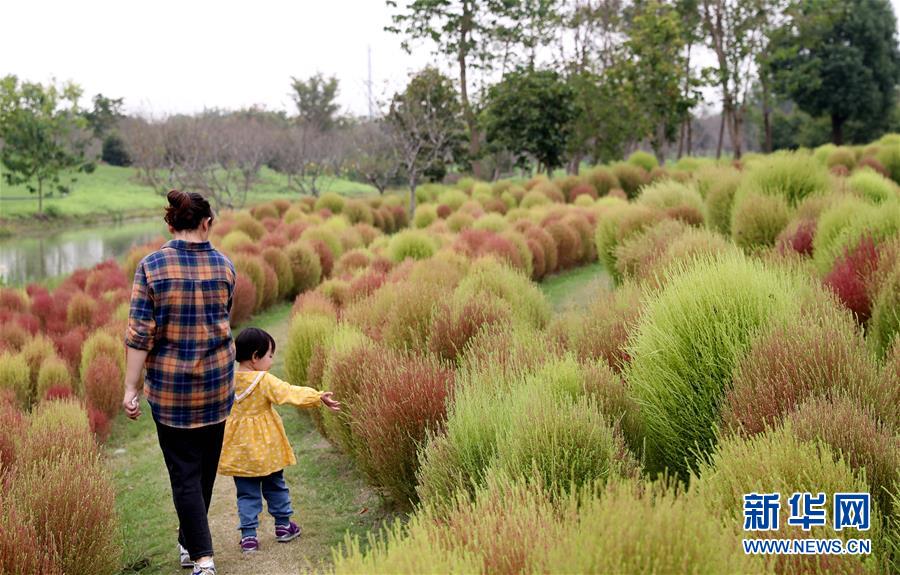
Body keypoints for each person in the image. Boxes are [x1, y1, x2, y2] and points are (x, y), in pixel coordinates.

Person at [123, 190, 236, 575]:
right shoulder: (225, 266)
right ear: (208, 223)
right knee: (203, 472)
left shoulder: (151, 266)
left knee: (185, 472)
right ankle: (192, 543)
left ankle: (201, 557)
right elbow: (222, 322)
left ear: (170, 225)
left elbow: (140, 335)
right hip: (218, 386)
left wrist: (130, 388)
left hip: (171, 392)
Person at [218, 327, 340, 554]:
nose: (271, 361)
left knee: (246, 492)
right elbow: (289, 392)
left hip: (240, 450)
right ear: (255, 357)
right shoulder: (264, 380)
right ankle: (283, 526)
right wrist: (317, 396)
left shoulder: (226, 379)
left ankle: (249, 537)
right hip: (267, 448)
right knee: (275, 485)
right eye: (270, 356)